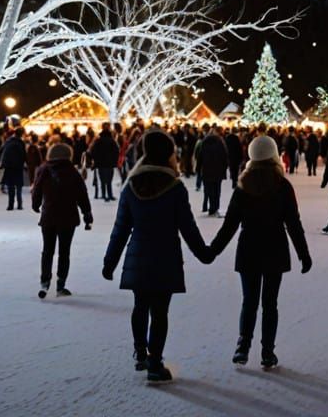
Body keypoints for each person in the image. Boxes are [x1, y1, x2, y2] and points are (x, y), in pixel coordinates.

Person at [102, 130, 214, 384]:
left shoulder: (131, 186)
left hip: (138, 255)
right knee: (160, 311)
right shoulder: (174, 188)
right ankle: (155, 362)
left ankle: (141, 352)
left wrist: (110, 261)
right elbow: (188, 227)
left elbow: (120, 228)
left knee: (140, 305)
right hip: (165, 256)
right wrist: (204, 253)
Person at [208, 135, 312, 369]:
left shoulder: (244, 186)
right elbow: (293, 223)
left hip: (249, 249)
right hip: (274, 248)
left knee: (249, 301)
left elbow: (230, 225)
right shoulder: (282, 186)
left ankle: (243, 346)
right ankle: (267, 351)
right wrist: (303, 254)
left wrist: (212, 251)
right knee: (270, 303)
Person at [32, 142, 93, 298]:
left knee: (47, 251)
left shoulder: (44, 170)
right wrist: (87, 213)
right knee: (64, 252)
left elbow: (37, 189)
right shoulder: (72, 172)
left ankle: (44, 282)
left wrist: (36, 204)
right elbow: (82, 194)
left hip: (49, 216)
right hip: (68, 217)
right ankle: (61, 284)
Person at [197, 126, 229, 216]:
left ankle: (210, 208)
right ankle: (215, 208)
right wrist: (224, 168)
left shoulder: (204, 143)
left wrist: (198, 169)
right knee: (217, 191)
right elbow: (224, 157)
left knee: (209, 190)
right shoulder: (220, 143)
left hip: (207, 170)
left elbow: (200, 157)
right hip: (218, 171)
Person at [90, 125, 120, 202]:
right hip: (110, 163)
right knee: (109, 180)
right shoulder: (112, 141)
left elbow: (93, 151)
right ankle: (110, 194)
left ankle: (103, 194)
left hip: (101, 164)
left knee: (102, 180)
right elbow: (116, 151)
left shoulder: (98, 141)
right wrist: (114, 161)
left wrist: (95, 160)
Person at [0, 127, 27, 210]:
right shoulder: (21, 143)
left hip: (9, 167)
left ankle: (10, 205)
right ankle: (19, 204)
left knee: (11, 186)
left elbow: (3, 152)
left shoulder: (9, 141)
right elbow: (23, 155)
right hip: (18, 167)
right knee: (19, 186)